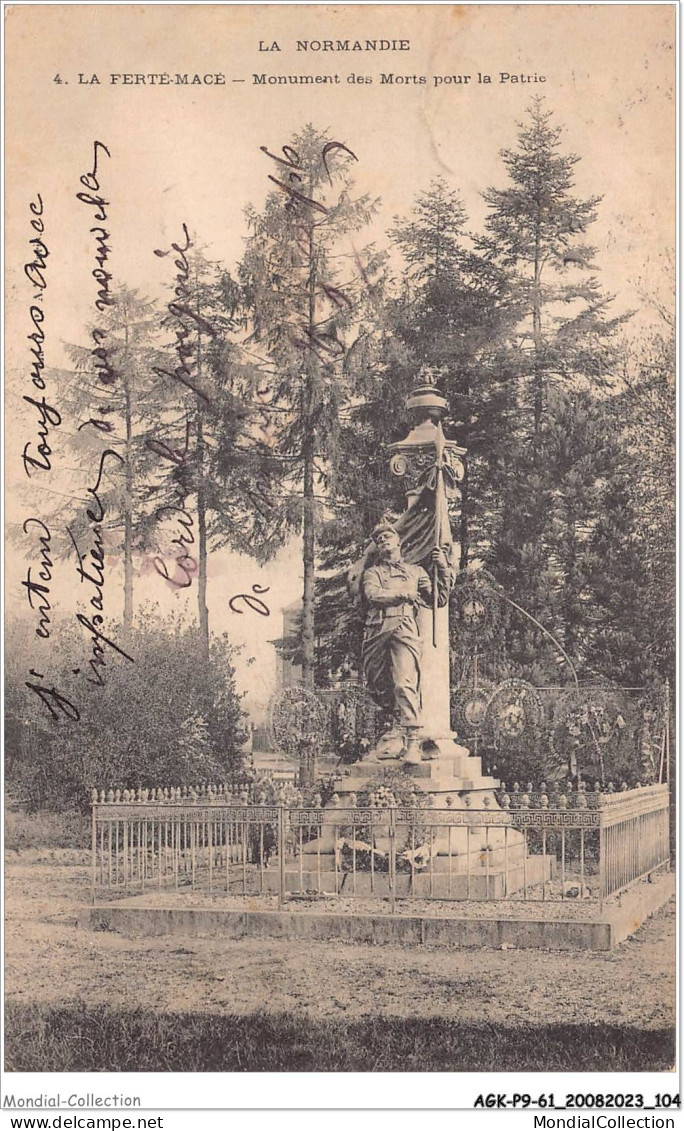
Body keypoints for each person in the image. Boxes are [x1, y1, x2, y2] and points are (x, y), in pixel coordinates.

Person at [360, 522, 452, 762]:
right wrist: (403, 594)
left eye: (387, 536)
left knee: (404, 683)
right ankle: (395, 729)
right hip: (377, 630)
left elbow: (438, 599)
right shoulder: (373, 573)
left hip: (404, 628)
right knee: (376, 686)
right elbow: (373, 595)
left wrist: (442, 566)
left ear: (398, 541)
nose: (382, 540)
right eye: (378, 539)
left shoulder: (416, 572)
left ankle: (412, 740)